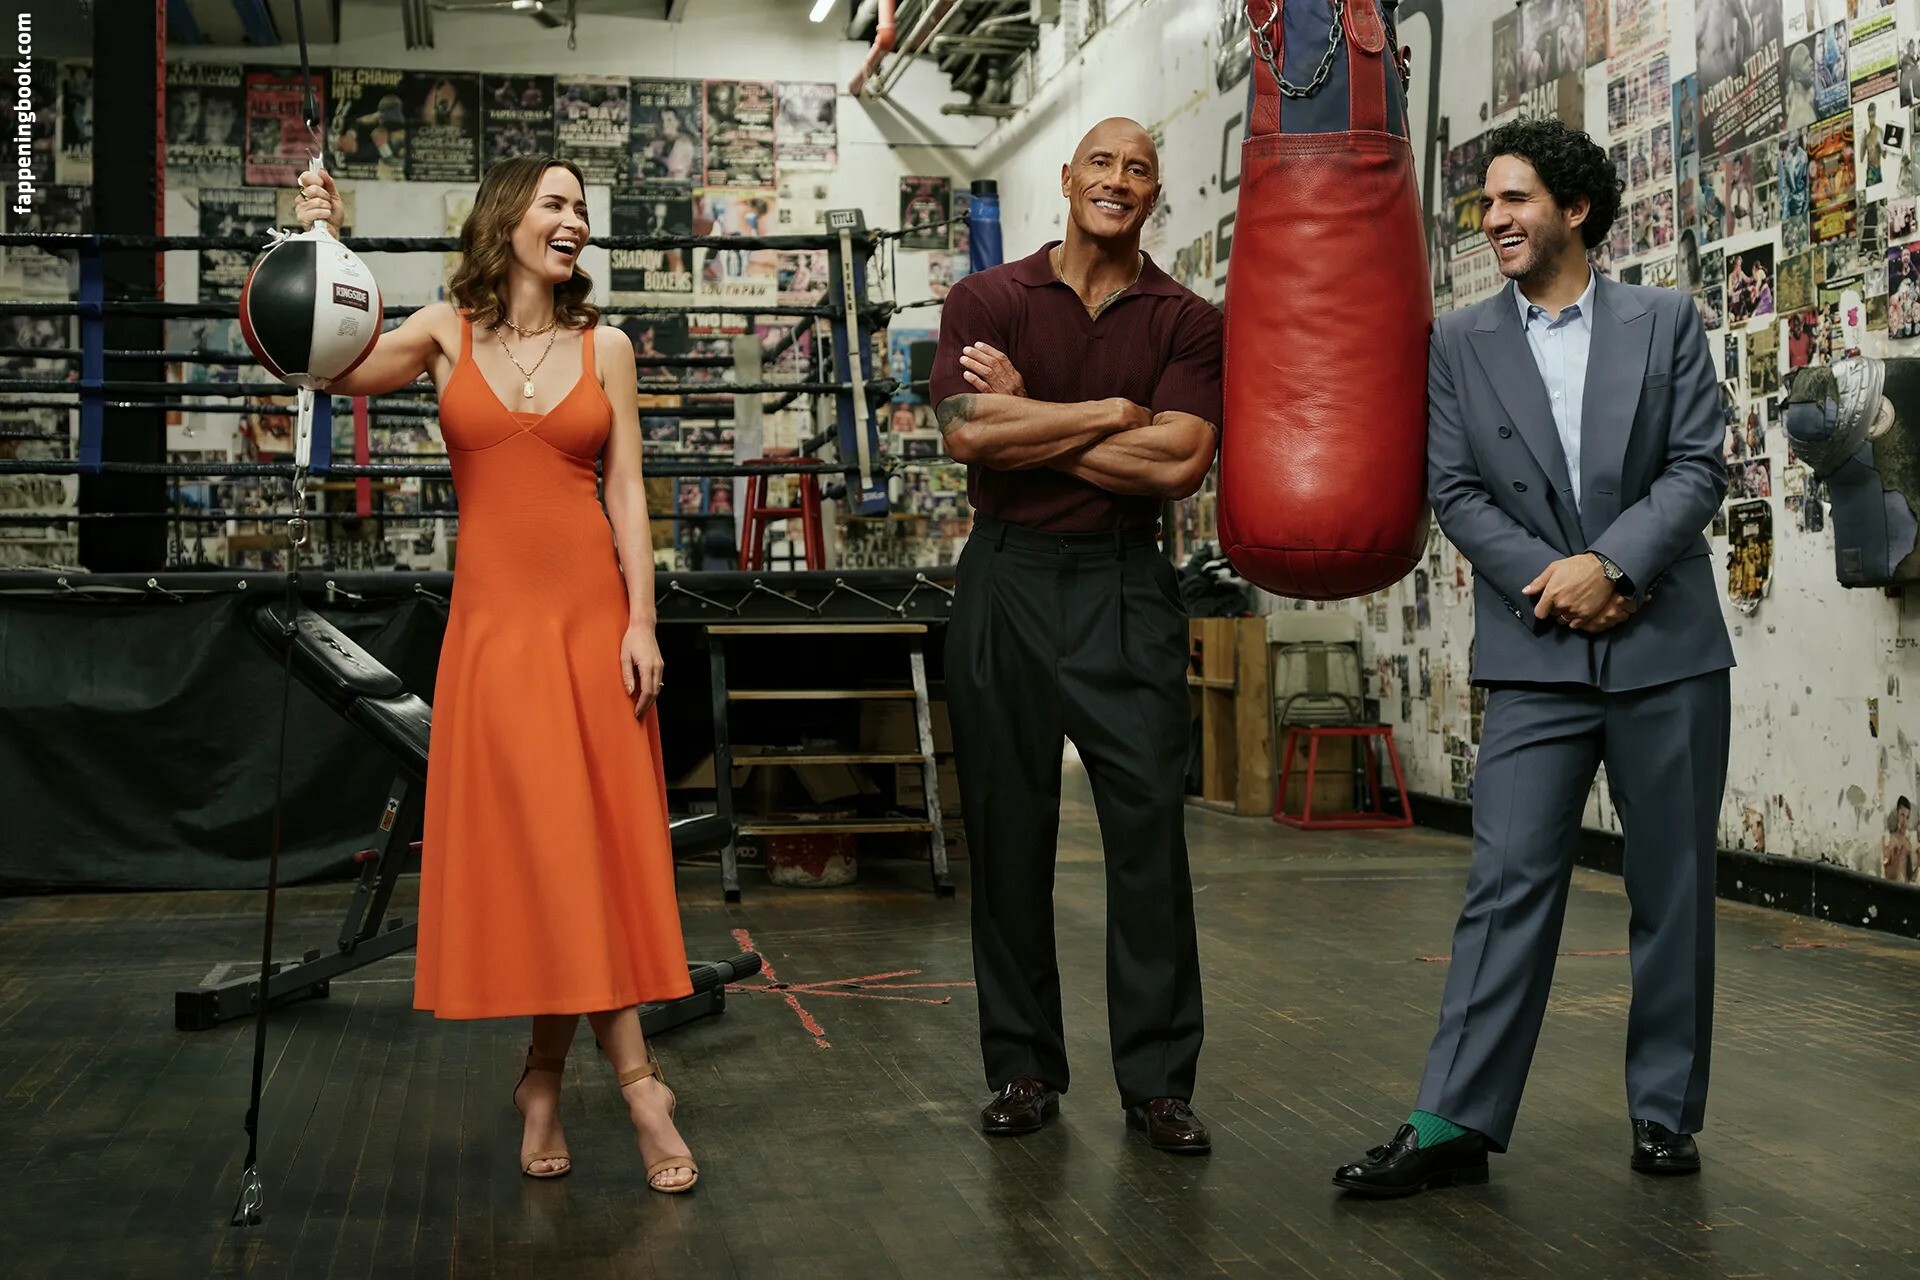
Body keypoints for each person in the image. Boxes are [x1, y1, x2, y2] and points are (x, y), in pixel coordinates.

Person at [1332, 117, 1734, 1197]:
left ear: (1576, 208)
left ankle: (1665, 1112)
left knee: (1674, 887)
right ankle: (1452, 1119)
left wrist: (1613, 565)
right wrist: (1558, 581)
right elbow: (1456, 490)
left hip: (1666, 645)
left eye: (1515, 199)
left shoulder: (1663, 320)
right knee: (1504, 883)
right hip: (1536, 646)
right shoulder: (1460, 342)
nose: (1495, 219)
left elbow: (1698, 466)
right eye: (1488, 204)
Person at [292, 156, 699, 1193]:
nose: (575, 221)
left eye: (582, 209)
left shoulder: (606, 347)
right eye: (556, 203)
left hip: (592, 624)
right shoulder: (443, 332)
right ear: (508, 216)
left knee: (587, 855)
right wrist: (318, 243)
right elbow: (326, 364)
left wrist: (642, 621)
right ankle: (638, 1083)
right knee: (551, 854)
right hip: (495, 635)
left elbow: (625, 488)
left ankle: (547, 1080)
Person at [928, 117, 1221, 1155]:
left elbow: (1178, 465)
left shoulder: (1186, 318)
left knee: (1148, 836)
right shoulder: (988, 298)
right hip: (1006, 576)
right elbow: (968, 432)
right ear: (1066, 177)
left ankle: (1158, 1084)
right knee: (1008, 831)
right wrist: (1110, 412)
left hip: (1126, 582)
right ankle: (1021, 1068)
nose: (1118, 179)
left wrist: (1034, 419)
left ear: (1153, 195)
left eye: (1139, 168)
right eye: (1102, 162)